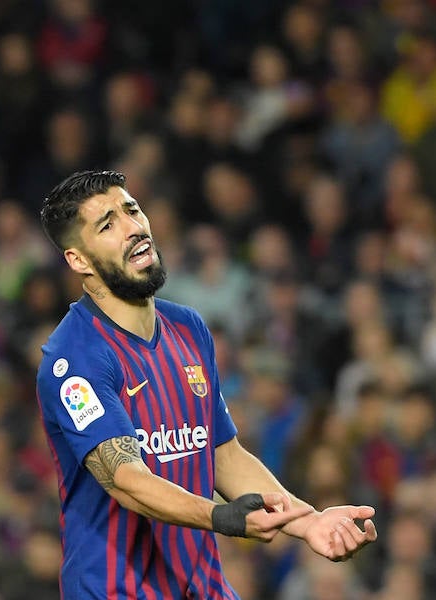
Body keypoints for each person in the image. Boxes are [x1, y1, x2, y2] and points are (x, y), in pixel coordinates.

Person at [35, 170, 377, 599]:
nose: (134, 228)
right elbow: (125, 479)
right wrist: (223, 518)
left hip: (201, 586)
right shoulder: (74, 357)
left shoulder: (189, 328)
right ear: (79, 260)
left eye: (132, 210)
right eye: (108, 225)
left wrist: (307, 522)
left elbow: (222, 454)